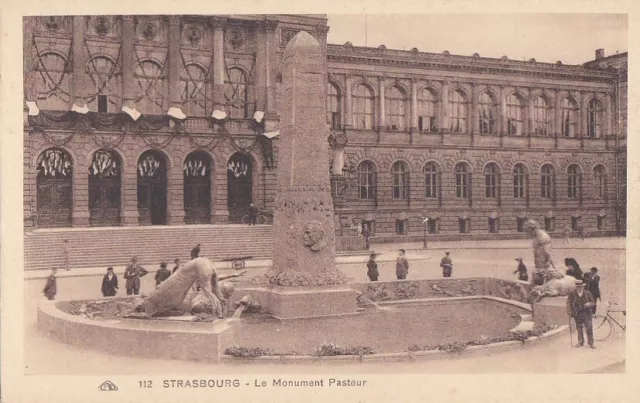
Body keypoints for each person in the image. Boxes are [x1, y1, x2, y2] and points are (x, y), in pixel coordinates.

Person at [523, 219, 561, 285]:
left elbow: (549, 254)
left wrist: (556, 268)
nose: (529, 234)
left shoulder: (543, 237)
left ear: (533, 229)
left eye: (529, 232)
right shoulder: (535, 237)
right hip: (538, 269)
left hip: (545, 270)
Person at [566, 280, 596, 349]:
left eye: (581, 287)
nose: (579, 288)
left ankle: (591, 343)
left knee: (589, 327)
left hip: (587, 313)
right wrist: (569, 311)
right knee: (579, 327)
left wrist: (589, 304)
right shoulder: (572, 294)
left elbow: (593, 302)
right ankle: (580, 342)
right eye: (578, 287)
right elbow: (568, 303)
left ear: (583, 287)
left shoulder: (588, 293)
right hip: (577, 313)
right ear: (576, 287)